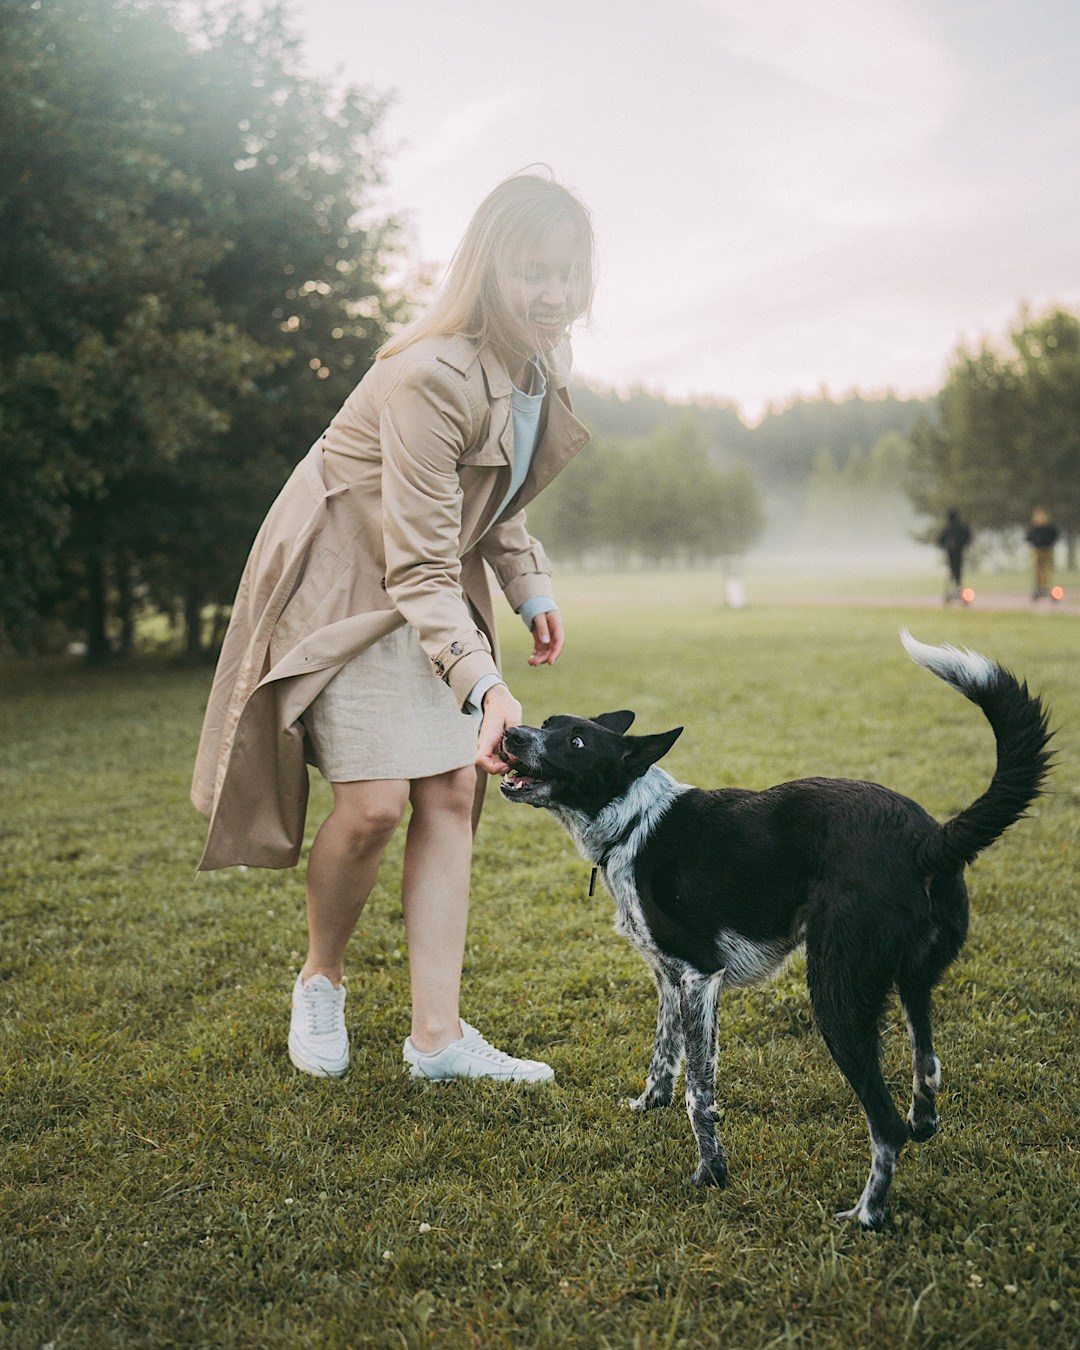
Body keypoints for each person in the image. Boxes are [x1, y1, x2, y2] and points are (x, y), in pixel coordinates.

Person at [191, 173, 595, 1084]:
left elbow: (492, 497)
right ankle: (320, 977)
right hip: (347, 584)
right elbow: (414, 563)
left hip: (424, 582)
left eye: (568, 274)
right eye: (534, 272)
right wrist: (484, 682)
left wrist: (529, 588)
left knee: (453, 791)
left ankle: (437, 1040)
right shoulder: (426, 374)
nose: (554, 294)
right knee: (372, 808)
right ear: (489, 270)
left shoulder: (536, 364)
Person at [936, 507, 971, 603]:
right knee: (958, 571)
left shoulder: (948, 528)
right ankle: (958, 588)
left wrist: (947, 546)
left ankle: (953, 589)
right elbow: (968, 537)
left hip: (951, 553)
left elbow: (940, 541)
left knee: (952, 570)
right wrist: (964, 546)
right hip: (960, 552)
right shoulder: (962, 527)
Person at [1025, 508, 1060, 600]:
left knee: (1045, 569)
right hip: (1038, 550)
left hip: (1047, 550)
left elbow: (1055, 536)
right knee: (1038, 570)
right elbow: (1028, 537)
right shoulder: (1034, 527)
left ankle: (1044, 587)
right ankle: (1039, 587)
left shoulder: (1048, 527)